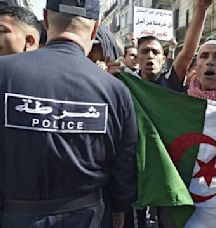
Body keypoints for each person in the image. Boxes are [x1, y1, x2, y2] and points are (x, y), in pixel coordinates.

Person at [0, 1, 138, 228]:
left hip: (15, 217)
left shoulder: (4, 72)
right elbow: (125, 162)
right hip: (88, 218)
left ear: (45, 19)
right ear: (94, 29)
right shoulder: (114, 90)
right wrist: (120, 208)